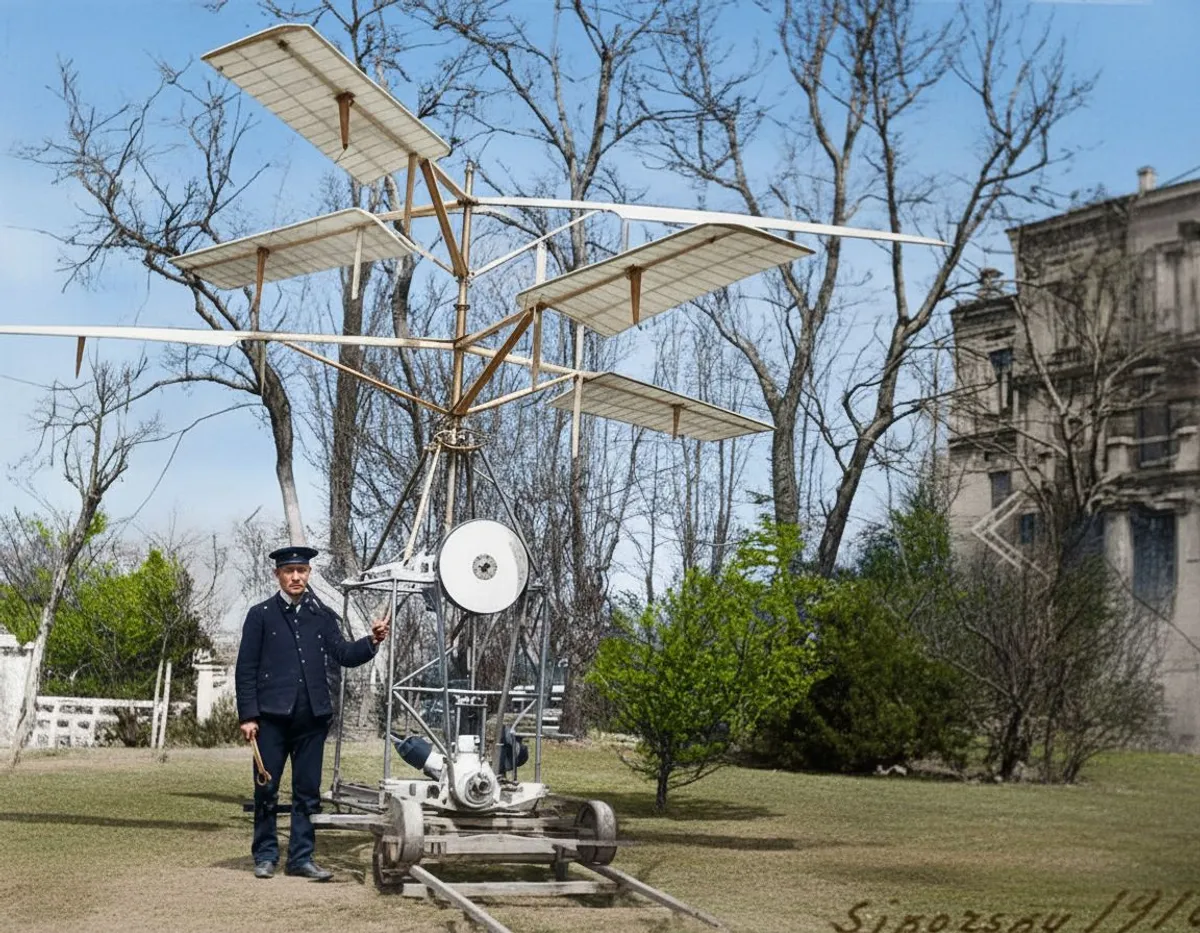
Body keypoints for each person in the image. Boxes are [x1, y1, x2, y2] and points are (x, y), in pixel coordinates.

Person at [235, 545, 389, 881]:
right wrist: (248, 716)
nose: (295, 577)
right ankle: (265, 856)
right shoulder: (260, 615)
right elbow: (245, 669)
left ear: (308, 574)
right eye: (289, 571)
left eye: (301, 571)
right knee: (267, 791)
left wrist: (372, 641)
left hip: (312, 721)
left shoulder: (323, 617)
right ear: (278, 575)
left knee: (307, 792)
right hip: (270, 722)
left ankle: (301, 859)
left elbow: (344, 654)